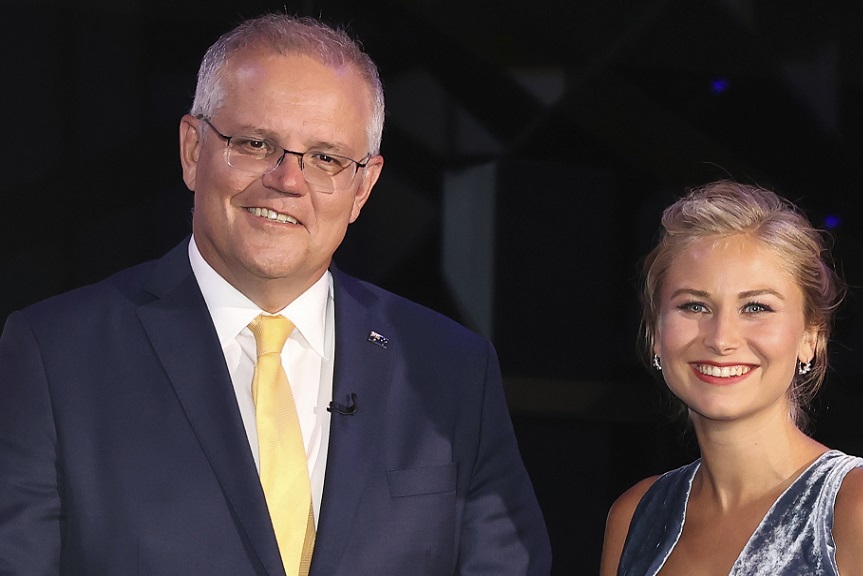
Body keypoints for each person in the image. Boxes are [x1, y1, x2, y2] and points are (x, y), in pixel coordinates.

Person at [0, 13, 550, 576]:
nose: (288, 180)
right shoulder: (55, 356)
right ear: (193, 150)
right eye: (257, 144)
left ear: (363, 186)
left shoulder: (451, 369)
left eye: (326, 158)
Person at [600, 181, 863, 575]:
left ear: (811, 336)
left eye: (756, 307)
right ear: (656, 334)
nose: (721, 338)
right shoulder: (636, 517)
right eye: (694, 305)